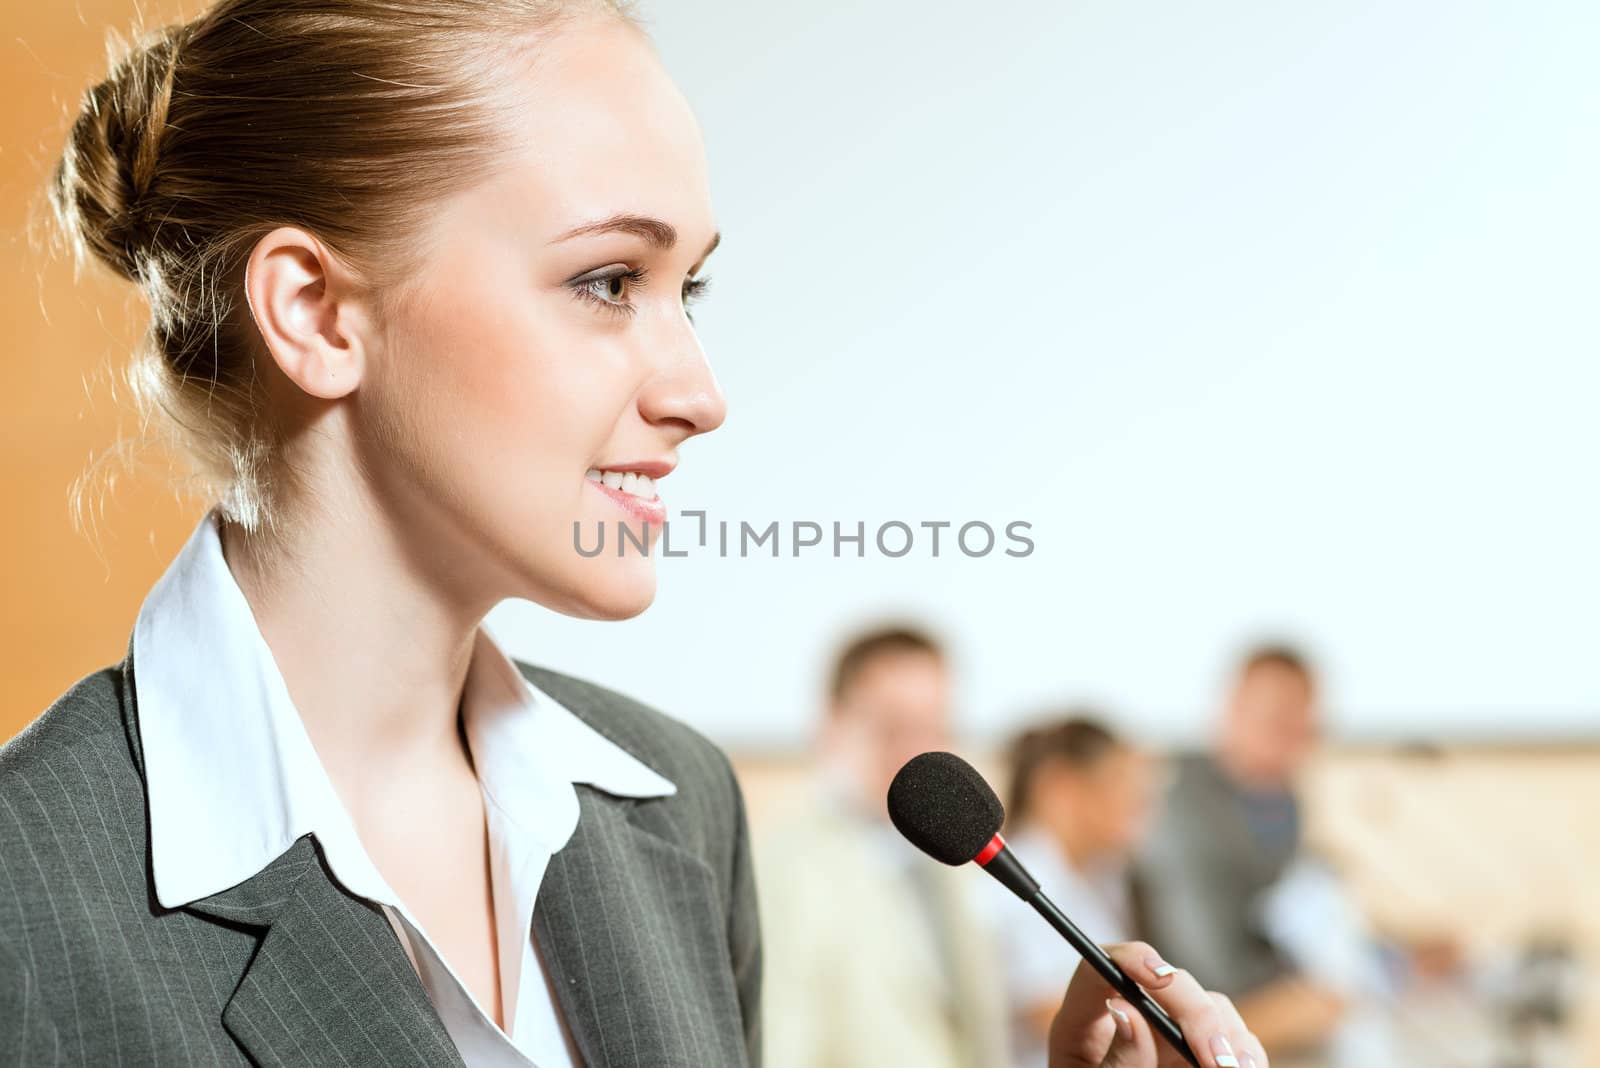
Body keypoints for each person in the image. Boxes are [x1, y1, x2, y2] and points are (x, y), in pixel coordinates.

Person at [3, 1, 1271, 1065]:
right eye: (609, 282)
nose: (701, 393)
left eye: (689, 288)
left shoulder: (674, 809)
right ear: (319, 313)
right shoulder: (26, 896)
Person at [1137, 644, 1347, 1063]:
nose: (1293, 739)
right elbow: (1206, 967)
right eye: (1275, 720)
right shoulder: (1184, 810)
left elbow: (1283, 916)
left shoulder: (1280, 801)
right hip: (1200, 1027)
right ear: (1230, 709)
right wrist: (1299, 1000)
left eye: (1302, 725)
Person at [981, 714, 1159, 1068]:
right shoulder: (1008, 894)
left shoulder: (1101, 879)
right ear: (1060, 785)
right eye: (1121, 785)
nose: (1139, 808)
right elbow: (1061, 1014)